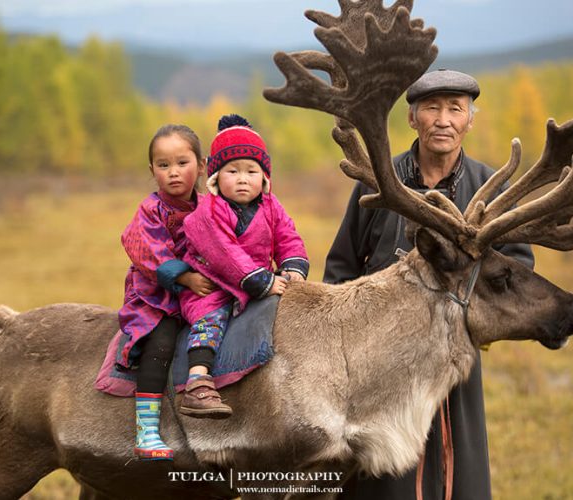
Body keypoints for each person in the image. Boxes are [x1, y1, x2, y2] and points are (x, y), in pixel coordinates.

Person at [324, 70, 535, 500]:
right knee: (382, 480)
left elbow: (518, 268)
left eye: (455, 109)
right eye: (432, 108)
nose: (444, 119)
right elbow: (340, 269)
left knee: (458, 466)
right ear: (412, 118)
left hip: (454, 354)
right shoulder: (377, 182)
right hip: (381, 365)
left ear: (469, 120)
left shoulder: (491, 188)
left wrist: (478, 323)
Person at [176, 114, 310, 418]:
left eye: (251, 171)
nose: (242, 178)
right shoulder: (206, 211)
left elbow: (288, 237)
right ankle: (198, 380)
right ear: (214, 178)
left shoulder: (271, 206)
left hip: (258, 283)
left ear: (264, 178)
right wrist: (261, 281)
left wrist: (292, 269)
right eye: (232, 171)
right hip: (213, 286)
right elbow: (224, 253)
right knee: (210, 320)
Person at [118, 124, 216, 460]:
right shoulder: (151, 210)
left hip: (203, 290)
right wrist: (186, 279)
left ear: (201, 165)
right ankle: (147, 429)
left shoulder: (210, 206)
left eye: (182, 163)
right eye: (163, 166)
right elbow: (148, 250)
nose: (173, 173)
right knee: (161, 342)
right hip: (157, 295)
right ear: (152, 171)